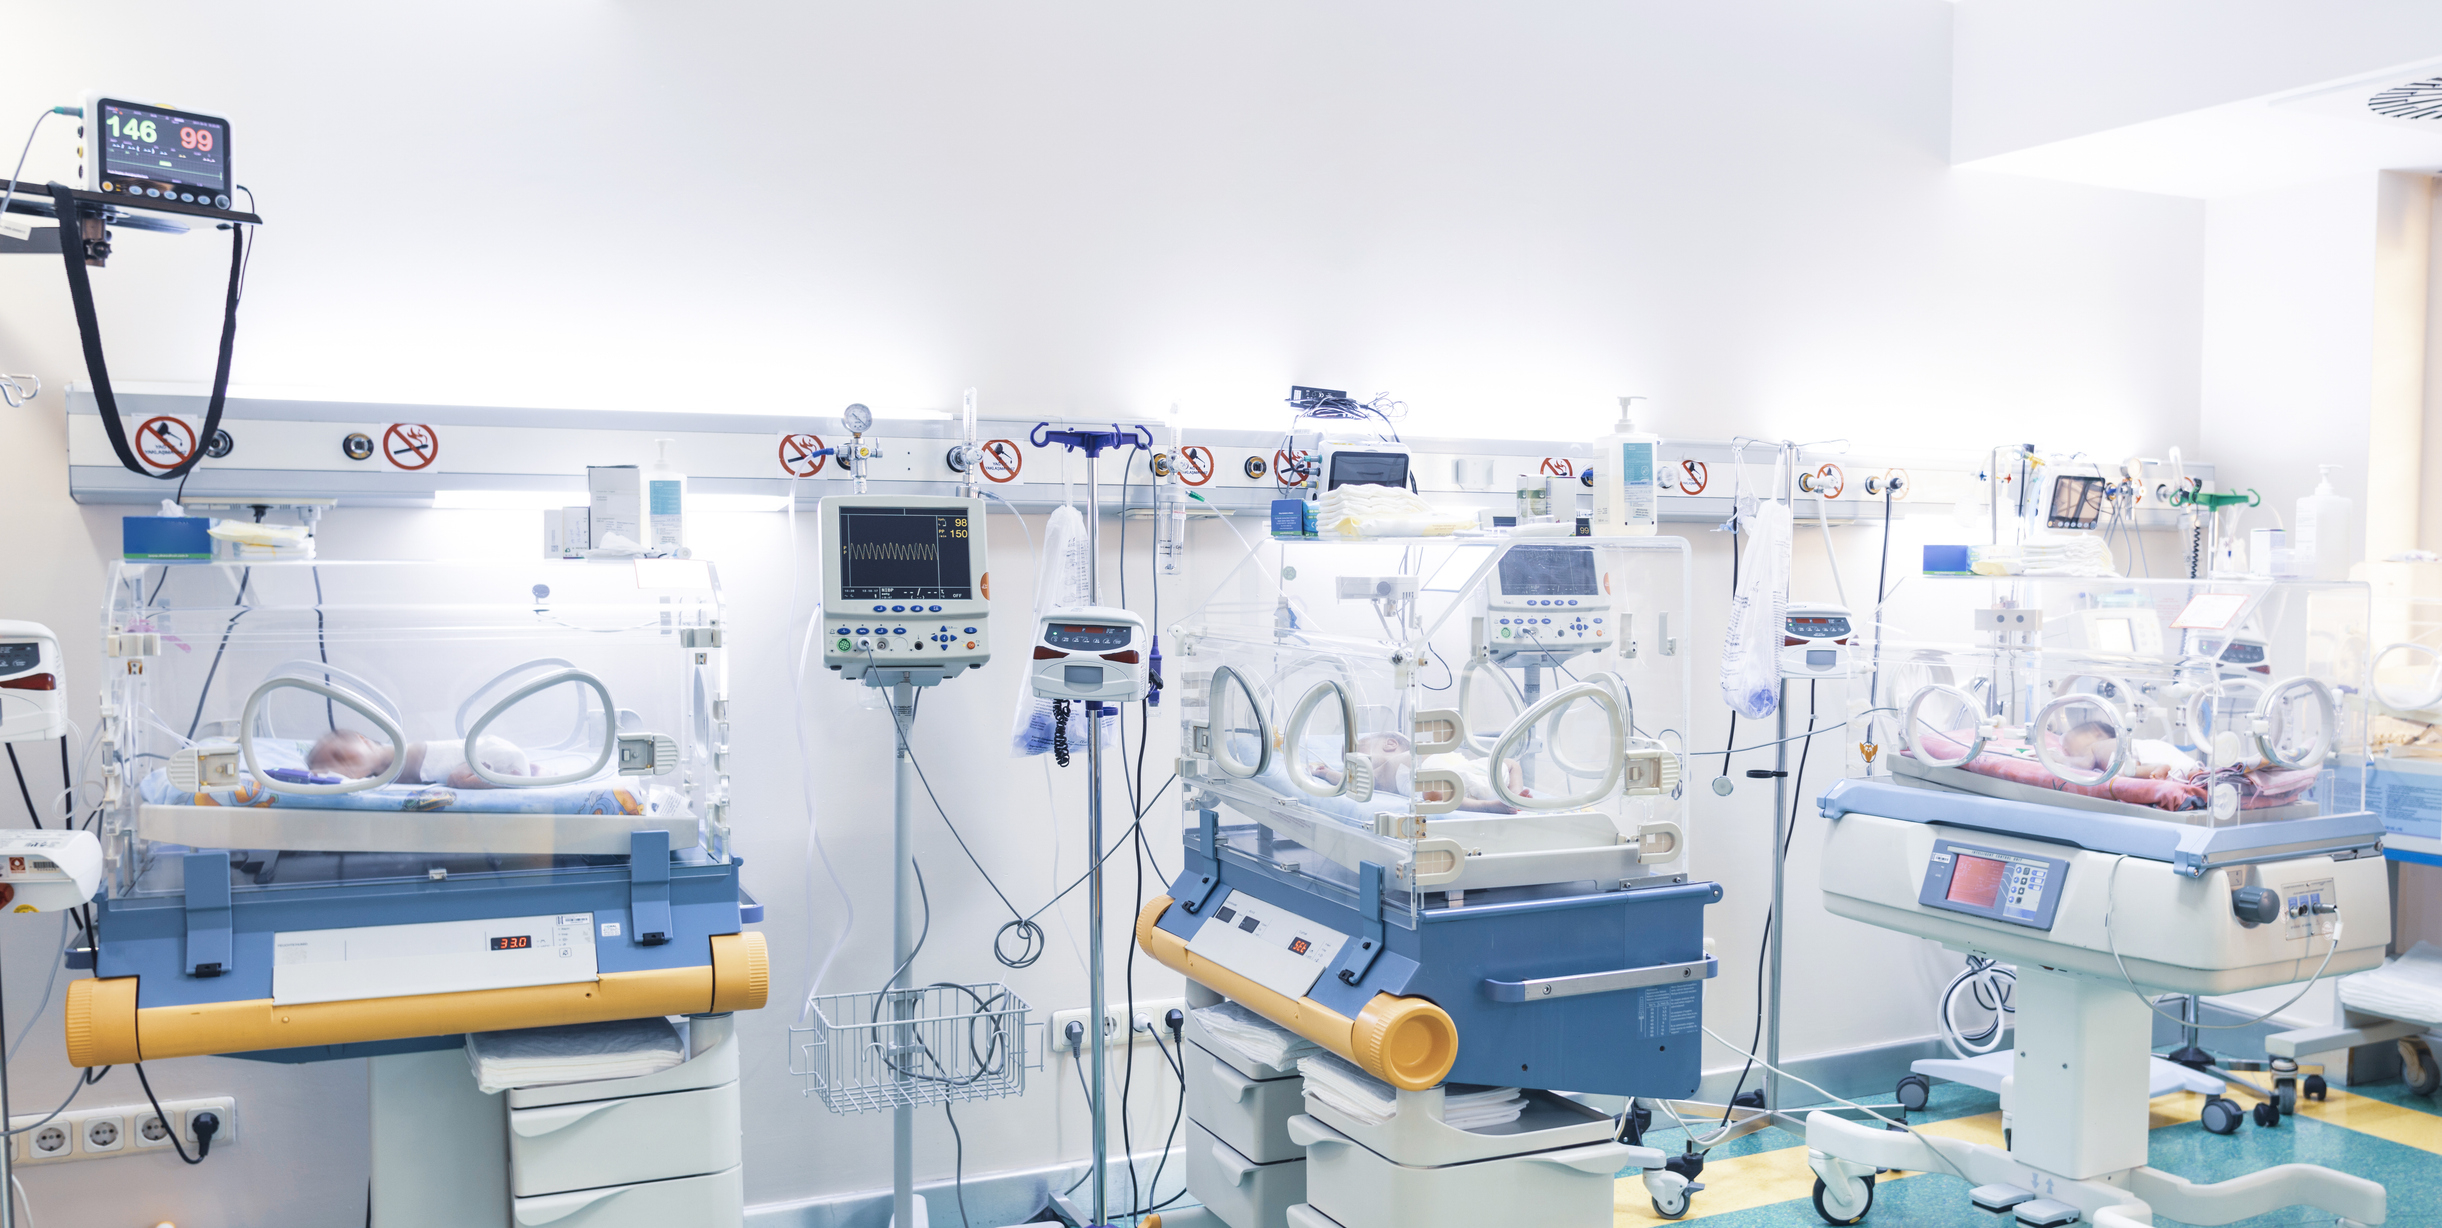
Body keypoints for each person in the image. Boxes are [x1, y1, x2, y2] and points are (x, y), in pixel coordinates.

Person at [305, 728, 536, 790]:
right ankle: (534, 770)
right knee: (458, 774)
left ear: (363, 739)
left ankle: (511, 779)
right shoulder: (378, 778)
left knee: (457, 778)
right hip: (497, 754)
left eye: (338, 755)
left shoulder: (392, 753)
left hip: (489, 756)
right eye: (330, 767)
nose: (340, 766)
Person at [2061, 720, 2200, 781]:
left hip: (2136, 756)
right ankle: (2192, 772)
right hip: (2158, 752)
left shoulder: (2094, 747)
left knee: (2127, 771)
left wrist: (2060, 759)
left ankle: (2160, 768)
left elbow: (2086, 764)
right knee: (2187, 770)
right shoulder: (2114, 746)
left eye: (2069, 740)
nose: (2067, 750)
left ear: (2095, 733)